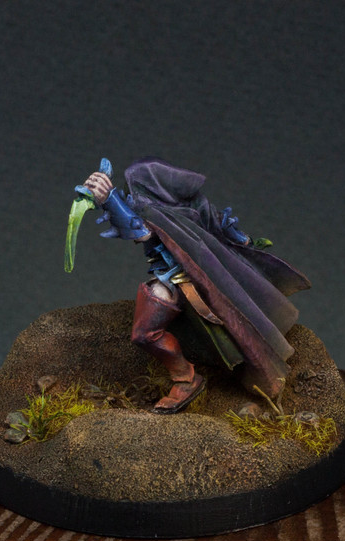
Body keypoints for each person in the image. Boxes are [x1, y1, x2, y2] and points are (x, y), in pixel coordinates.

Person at [82, 158, 311, 414]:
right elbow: (230, 233)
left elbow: (140, 230)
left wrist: (109, 198)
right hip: (184, 277)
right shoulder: (190, 204)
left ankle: (186, 379)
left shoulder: (161, 209)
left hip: (180, 280)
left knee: (146, 332)